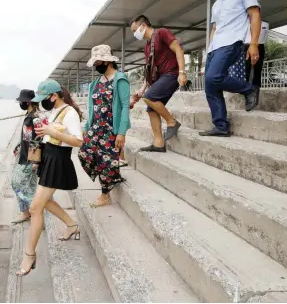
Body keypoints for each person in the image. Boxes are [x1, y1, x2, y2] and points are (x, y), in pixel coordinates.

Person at [17, 79, 84, 276]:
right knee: (43, 203)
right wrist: (45, 134)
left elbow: (78, 141)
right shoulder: (55, 111)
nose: (42, 103)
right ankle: (72, 225)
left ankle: (29, 254)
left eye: (44, 98)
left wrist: (51, 131)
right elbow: (52, 135)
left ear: (54, 96)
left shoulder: (69, 113)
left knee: (36, 207)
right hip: (49, 157)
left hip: (58, 160)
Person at [199, 0, 260, 136]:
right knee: (209, 85)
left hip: (232, 42)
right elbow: (215, 28)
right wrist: (208, 51)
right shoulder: (217, 3)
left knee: (215, 77)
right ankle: (221, 126)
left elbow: (254, 15)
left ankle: (249, 89)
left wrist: (253, 43)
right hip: (215, 47)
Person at [79, 45, 130, 207]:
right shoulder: (95, 83)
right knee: (85, 154)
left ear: (107, 61)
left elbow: (125, 106)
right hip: (95, 127)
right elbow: (91, 107)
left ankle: (105, 195)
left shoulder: (120, 79)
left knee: (105, 161)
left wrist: (121, 132)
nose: (96, 66)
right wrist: (87, 126)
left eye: (98, 62)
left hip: (110, 129)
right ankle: (113, 176)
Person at [129, 15, 187, 151]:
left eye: (134, 30)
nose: (134, 34)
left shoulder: (162, 32)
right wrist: (141, 89)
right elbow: (149, 70)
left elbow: (178, 49)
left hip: (172, 74)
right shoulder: (147, 47)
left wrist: (182, 72)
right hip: (161, 78)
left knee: (150, 97)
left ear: (143, 26)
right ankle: (158, 143)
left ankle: (171, 122)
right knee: (151, 108)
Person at [11, 89, 43, 223]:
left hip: (30, 159)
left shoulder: (34, 118)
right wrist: (19, 145)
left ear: (28, 102)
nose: (21, 104)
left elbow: (38, 139)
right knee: (30, 185)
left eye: (22, 101)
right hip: (25, 156)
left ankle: (32, 211)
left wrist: (36, 161)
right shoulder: (29, 115)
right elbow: (26, 136)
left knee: (16, 182)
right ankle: (29, 212)